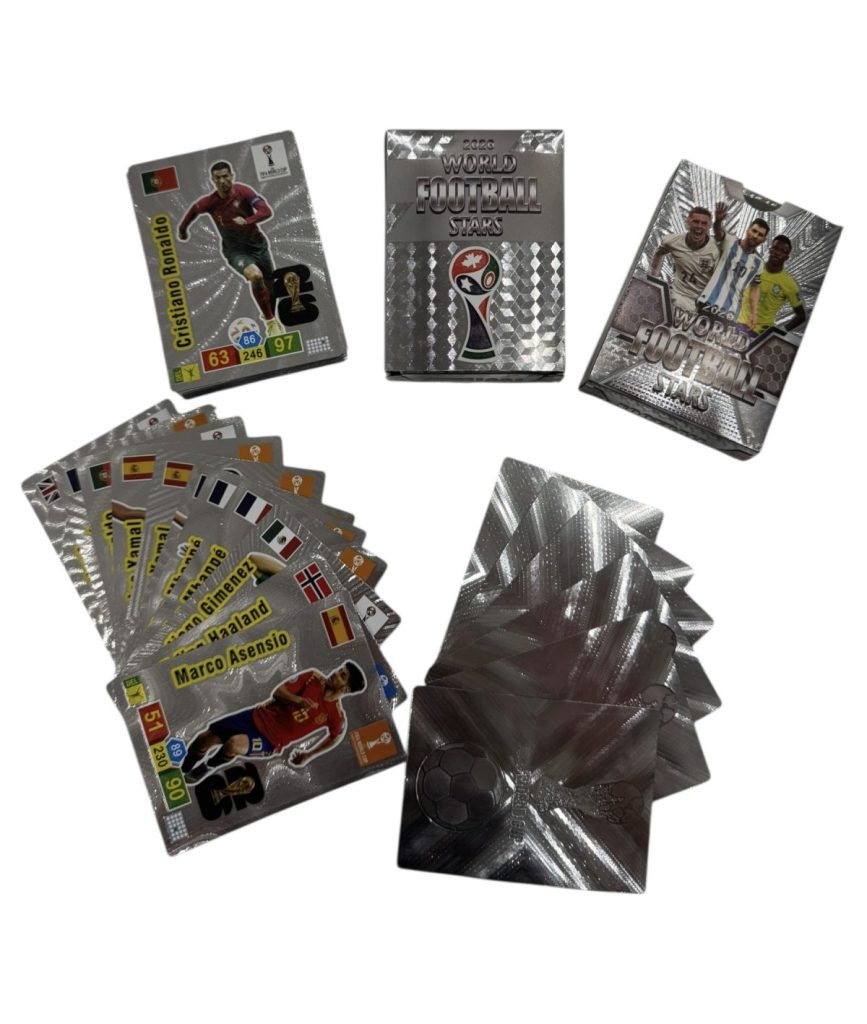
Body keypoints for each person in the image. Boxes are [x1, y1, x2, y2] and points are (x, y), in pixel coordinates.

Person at [181, 661, 367, 783]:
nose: (336, 673)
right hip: (255, 716)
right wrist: (298, 700)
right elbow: (278, 692)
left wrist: (308, 754)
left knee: (233, 744)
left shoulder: (336, 716)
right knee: (204, 739)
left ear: (346, 689)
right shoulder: (313, 677)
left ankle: (207, 767)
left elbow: (335, 737)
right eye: (339, 670)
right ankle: (182, 768)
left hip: (271, 739)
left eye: (342, 676)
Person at [177, 161, 282, 337]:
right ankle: (271, 323)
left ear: (232, 176)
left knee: (270, 284)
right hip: (235, 251)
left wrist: (248, 221)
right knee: (256, 276)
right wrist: (182, 230)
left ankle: (269, 314)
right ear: (213, 180)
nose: (222, 181)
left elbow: (266, 211)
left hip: (258, 245)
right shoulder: (210, 202)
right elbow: (194, 210)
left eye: (225, 176)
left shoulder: (244, 192)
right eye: (217, 178)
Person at [697, 202, 769, 319]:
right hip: (707, 302)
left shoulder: (759, 264)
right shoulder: (730, 242)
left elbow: (755, 286)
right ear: (747, 230)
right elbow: (718, 233)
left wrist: (753, 313)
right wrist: (718, 221)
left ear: (764, 240)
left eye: (760, 235)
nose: (756, 236)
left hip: (730, 313)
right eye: (754, 231)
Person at [649, 206, 719, 313]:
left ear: (709, 226)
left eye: (704, 223)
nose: (699, 226)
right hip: (676, 295)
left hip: (701, 303)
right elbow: (658, 253)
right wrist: (653, 276)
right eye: (695, 222)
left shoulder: (718, 250)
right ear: (688, 223)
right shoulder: (672, 241)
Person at [737, 235, 807, 336]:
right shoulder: (753, 267)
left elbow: (801, 316)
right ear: (770, 250)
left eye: (783, 251)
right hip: (737, 324)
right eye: (775, 248)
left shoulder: (789, 283)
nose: (777, 253)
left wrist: (780, 331)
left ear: (787, 257)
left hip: (760, 335)